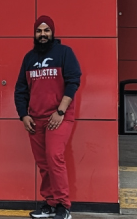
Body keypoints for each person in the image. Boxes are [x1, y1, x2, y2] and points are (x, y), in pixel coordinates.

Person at [14, 15, 82, 219]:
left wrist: (60, 111)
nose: (42, 35)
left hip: (59, 117)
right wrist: (24, 116)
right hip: (36, 120)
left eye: (46, 31)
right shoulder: (29, 58)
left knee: (54, 157)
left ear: (52, 33)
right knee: (43, 163)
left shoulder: (64, 53)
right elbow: (20, 90)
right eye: (39, 31)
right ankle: (50, 204)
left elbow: (73, 82)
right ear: (34, 34)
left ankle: (63, 205)